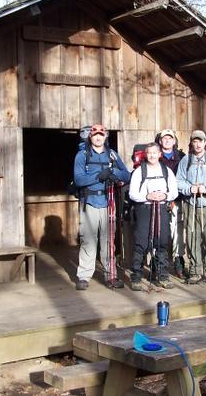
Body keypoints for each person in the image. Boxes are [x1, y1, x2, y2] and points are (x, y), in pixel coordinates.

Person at [73, 124, 131, 290]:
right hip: (89, 202)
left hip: (108, 202)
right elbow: (79, 180)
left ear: (105, 137)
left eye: (101, 135)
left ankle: (110, 275)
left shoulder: (112, 154)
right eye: (95, 135)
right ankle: (84, 276)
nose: (98, 137)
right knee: (88, 240)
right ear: (90, 137)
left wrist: (113, 173)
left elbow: (126, 175)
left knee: (108, 241)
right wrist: (100, 176)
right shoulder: (82, 155)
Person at [176, 130, 206, 285]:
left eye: (200, 141)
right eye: (194, 141)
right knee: (192, 238)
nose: (197, 144)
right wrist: (188, 189)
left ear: (205, 143)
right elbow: (179, 181)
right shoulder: (186, 160)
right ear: (191, 143)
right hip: (191, 204)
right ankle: (195, 271)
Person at [129, 143, 179, 290]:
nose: (151, 155)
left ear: (159, 154)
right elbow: (132, 194)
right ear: (145, 154)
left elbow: (174, 192)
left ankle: (162, 276)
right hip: (144, 208)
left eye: (154, 153)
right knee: (141, 242)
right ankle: (136, 277)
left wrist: (164, 195)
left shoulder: (167, 171)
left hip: (162, 208)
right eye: (149, 153)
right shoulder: (139, 171)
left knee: (162, 241)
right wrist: (147, 196)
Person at [156, 129, 187, 278]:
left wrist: (176, 198)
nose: (167, 141)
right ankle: (158, 265)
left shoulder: (182, 157)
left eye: (170, 138)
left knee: (178, 234)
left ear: (174, 141)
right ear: (160, 141)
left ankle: (179, 263)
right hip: (159, 200)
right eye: (164, 138)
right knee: (159, 233)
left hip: (178, 200)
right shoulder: (154, 156)